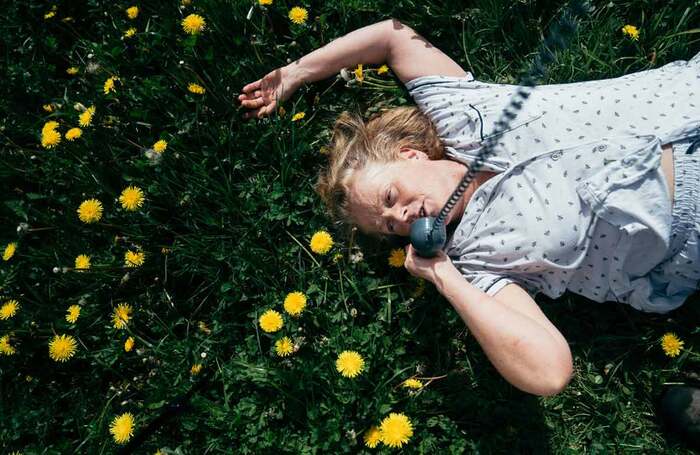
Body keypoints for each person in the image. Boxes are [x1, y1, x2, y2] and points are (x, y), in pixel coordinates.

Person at [238, 18, 700, 439]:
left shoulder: (462, 114)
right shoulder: (478, 261)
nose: (399, 220)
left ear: (410, 154)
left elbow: (391, 37)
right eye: (389, 227)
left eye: (390, 198)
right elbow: (548, 372)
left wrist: (297, 72)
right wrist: (445, 277)